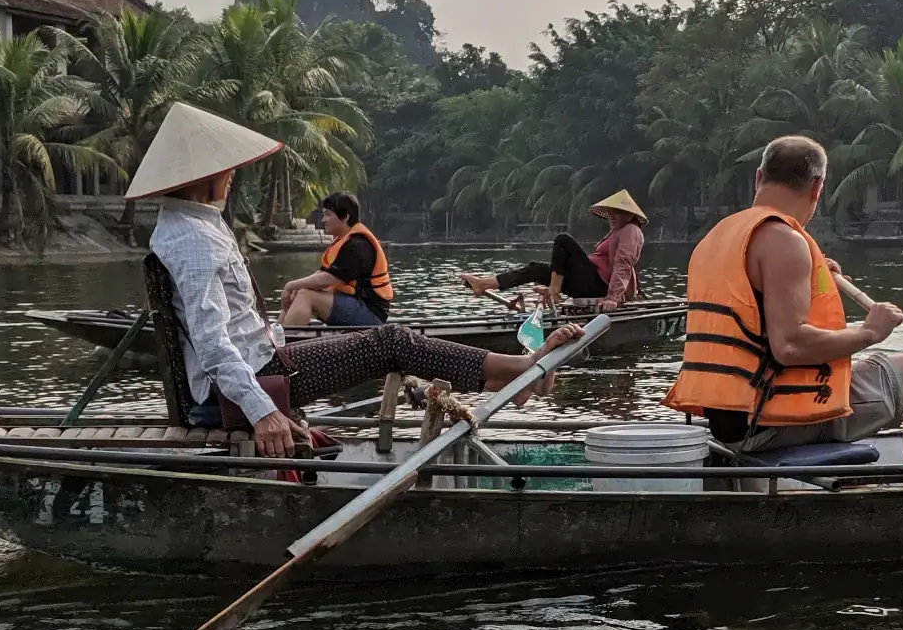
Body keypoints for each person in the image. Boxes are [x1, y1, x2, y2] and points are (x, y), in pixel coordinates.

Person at [129, 103, 582, 459]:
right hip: (254, 377)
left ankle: (504, 378)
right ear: (204, 176)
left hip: (263, 361)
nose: (230, 176)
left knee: (388, 342)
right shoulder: (194, 238)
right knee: (391, 343)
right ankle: (517, 371)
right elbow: (211, 342)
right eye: (224, 169)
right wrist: (263, 411)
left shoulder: (188, 225)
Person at [662, 135, 903, 476]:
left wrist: (814, 272)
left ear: (759, 178)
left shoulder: (718, 237)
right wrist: (869, 332)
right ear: (817, 187)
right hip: (769, 422)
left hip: (728, 420)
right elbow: (790, 346)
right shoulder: (784, 241)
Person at [460, 190, 646, 312]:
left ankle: (554, 290)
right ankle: (484, 284)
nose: (612, 217)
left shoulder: (631, 230)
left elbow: (623, 264)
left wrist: (613, 298)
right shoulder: (615, 232)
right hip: (587, 283)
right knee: (537, 269)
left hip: (600, 285)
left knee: (563, 240)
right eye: (610, 213)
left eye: (617, 213)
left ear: (630, 215)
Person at [279, 191, 392, 327]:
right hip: (355, 304)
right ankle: (277, 334)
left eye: (328, 215)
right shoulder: (344, 241)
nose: (323, 220)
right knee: (300, 290)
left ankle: (287, 342)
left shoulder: (358, 244)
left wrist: (290, 285)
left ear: (345, 216)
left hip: (371, 315)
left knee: (306, 295)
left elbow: (328, 279)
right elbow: (322, 273)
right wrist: (294, 288)